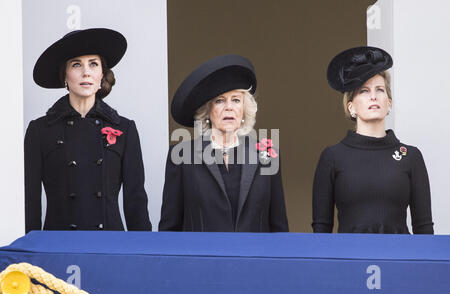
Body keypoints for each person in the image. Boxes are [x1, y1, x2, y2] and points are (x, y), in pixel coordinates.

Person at [25, 28, 151, 232]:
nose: (86, 72)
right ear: (64, 75)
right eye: (76, 64)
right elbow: (29, 201)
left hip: (110, 246)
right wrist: (28, 252)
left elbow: (135, 199)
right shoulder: (39, 130)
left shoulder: (125, 129)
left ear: (102, 74)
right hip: (57, 244)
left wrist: (143, 253)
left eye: (93, 64)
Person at [159, 54, 288, 232]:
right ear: (207, 111)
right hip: (201, 259)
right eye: (220, 100)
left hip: (255, 259)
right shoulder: (181, 156)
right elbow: (170, 228)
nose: (229, 107)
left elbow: (279, 227)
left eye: (236, 100)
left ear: (244, 109)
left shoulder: (267, 155)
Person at [312, 46, 434, 234]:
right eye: (363, 91)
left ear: (389, 103)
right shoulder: (332, 157)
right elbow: (321, 230)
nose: (373, 96)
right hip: (349, 259)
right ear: (351, 106)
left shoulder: (411, 156)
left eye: (380, 90)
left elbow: (424, 229)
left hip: (399, 259)